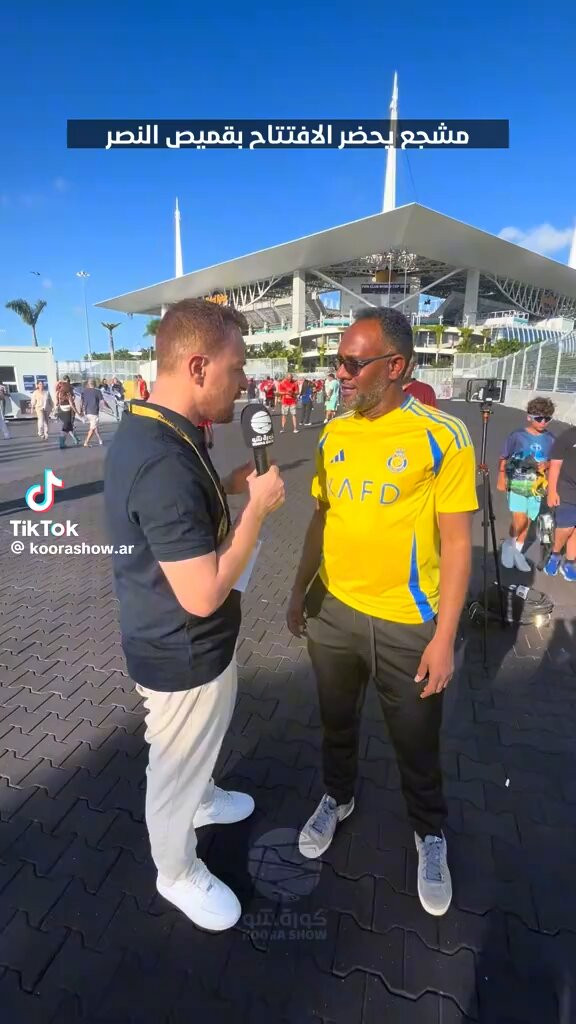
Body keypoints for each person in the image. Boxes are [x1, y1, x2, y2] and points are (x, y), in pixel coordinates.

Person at [286, 307, 477, 918]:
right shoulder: (333, 434)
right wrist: (298, 590)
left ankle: (429, 833)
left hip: (407, 624)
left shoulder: (443, 435)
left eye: (351, 363)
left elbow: (458, 543)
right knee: (336, 724)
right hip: (333, 613)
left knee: (416, 742)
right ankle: (337, 797)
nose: (338, 373)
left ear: (395, 367)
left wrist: (445, 637)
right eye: (336, 361)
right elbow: (321, 518)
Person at [104, 299, 284, 932]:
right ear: (200, 366)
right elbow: (203, 594)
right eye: (237, 367)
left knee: (201, 748)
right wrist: (257, 510)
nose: (245, 381)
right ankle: (176, 870)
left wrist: (230, 485)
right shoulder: (162, 460)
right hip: (181, 652)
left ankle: (203, 797)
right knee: (174, 770)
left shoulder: (166, 428)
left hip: (198, 644)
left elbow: (185, 505)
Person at [497, 398, 555, 572]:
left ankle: (517, 551)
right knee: (520, 519)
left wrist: (547, 464)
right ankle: (510, 546)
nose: (543, 422)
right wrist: (501, 476)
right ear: (529, 417)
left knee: (528, 521)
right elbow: (504, 456)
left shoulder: (551, 439)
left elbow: (555, 461)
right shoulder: (517, 435)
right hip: (517, 483)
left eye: (547, 419)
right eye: (539, 418)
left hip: (537, 487)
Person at [543, 422, 576, 580]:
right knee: (566, 528)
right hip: (567, 489)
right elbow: (555, 465)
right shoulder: (568, 436)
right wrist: (551, 491)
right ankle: (555, 556)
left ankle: (569, 563)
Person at [55, 380, 80, 448]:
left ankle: (75, 439)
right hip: (67, 412)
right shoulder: (68, 394)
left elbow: (57, 403)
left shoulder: (58, 393)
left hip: (61, 412)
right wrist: (78, 413)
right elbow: (72, 405)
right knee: (66, 428)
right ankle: (62, 444)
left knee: (69, 426)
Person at [80, 379, 104, 447]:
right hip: (94, 412)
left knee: (94, 426)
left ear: (88, 384)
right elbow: (102, 402)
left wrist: (81, 410)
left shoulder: (84, 391)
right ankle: (86, 442)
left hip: (87, 412)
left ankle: (100, 439)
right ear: (95, 384)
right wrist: (103, 408)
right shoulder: (98, 391)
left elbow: (81, 401)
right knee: (92, 428)